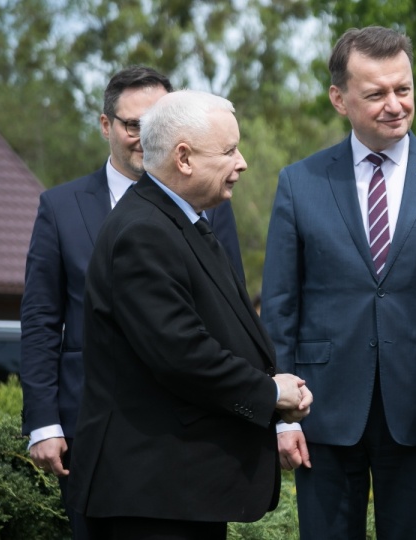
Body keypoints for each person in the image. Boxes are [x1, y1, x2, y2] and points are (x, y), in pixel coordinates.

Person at [261, 26, 416, 540]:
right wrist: (282, 416)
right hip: (321, 411)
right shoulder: (299, 183)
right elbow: (280, 307)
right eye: (376, 93)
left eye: (403, 89)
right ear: (339, 99)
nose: (395, 105)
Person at [68, 90, 311, 539]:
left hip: (177, 494)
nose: (242, 163)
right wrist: (268, 392)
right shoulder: (144, 231)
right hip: (152, 499)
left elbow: (225, 330)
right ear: (183, 158)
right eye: (229, 150)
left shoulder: (184, 223)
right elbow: (180, 353)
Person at [20, 66, 243, 537]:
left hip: (193, 428)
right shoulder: (60, 208)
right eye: (132, 125)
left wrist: (252, 407)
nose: (145, 137)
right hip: (91, 429)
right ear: (106, 126)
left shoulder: (210, 207)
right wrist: (43, 423)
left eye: (157, 122)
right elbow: (41, 321)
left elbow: (231, 318)